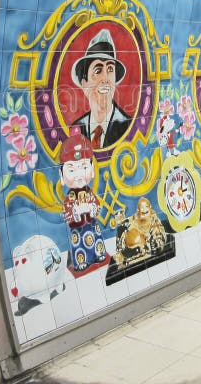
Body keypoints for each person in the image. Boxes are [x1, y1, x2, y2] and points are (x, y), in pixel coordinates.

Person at [71, 29, 132, 149]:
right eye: (98, 71)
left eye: (110, 70)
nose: (105, 78)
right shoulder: (77, 128)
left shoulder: (127, 125)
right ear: (84, 83)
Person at [60, 131, 107, 274]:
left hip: (92, 226)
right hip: (78, 231)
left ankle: (99, 254)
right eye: (72, 169)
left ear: (92, 170)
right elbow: (66, 215)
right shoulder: (69, 198)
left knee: (97, 240)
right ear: (61, 175)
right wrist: (77, 211)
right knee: (79, 247)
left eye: (84, 167)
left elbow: (97, 207)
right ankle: (82, 261)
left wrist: (92, 207)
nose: (79, 175)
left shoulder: (89, 192)